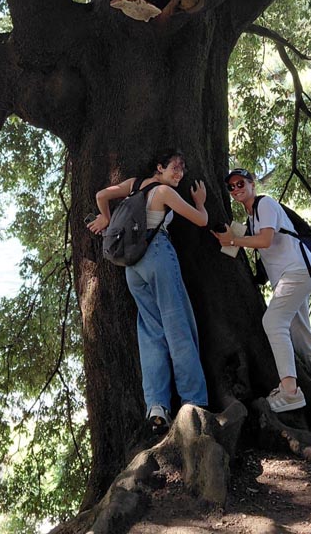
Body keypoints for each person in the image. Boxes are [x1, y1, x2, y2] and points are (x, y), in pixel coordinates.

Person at [88, 149, 209, 432]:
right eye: (175, 168)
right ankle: (193, 401)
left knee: (151, 334)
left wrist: (106, 218)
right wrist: (200, 203)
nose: (179, 174)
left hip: (133, 266)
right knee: (178, 326)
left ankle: (156, 406)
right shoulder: (164, 192)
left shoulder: (133, 185)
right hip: (157, 256)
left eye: (182, 169)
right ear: (159, 168)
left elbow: (101, 195)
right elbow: (201, 220)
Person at [211, 168, 311, 413]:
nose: (236, 189)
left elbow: (265, 240)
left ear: (252, 184)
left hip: (297, 272)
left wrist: (233, 240)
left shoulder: (265, 204)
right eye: (231, 187)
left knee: (273, 321)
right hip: (293, 277)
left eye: (241, 183)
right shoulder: (251, 220)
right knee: (304, 341)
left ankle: (290, 391)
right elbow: (248, 241)